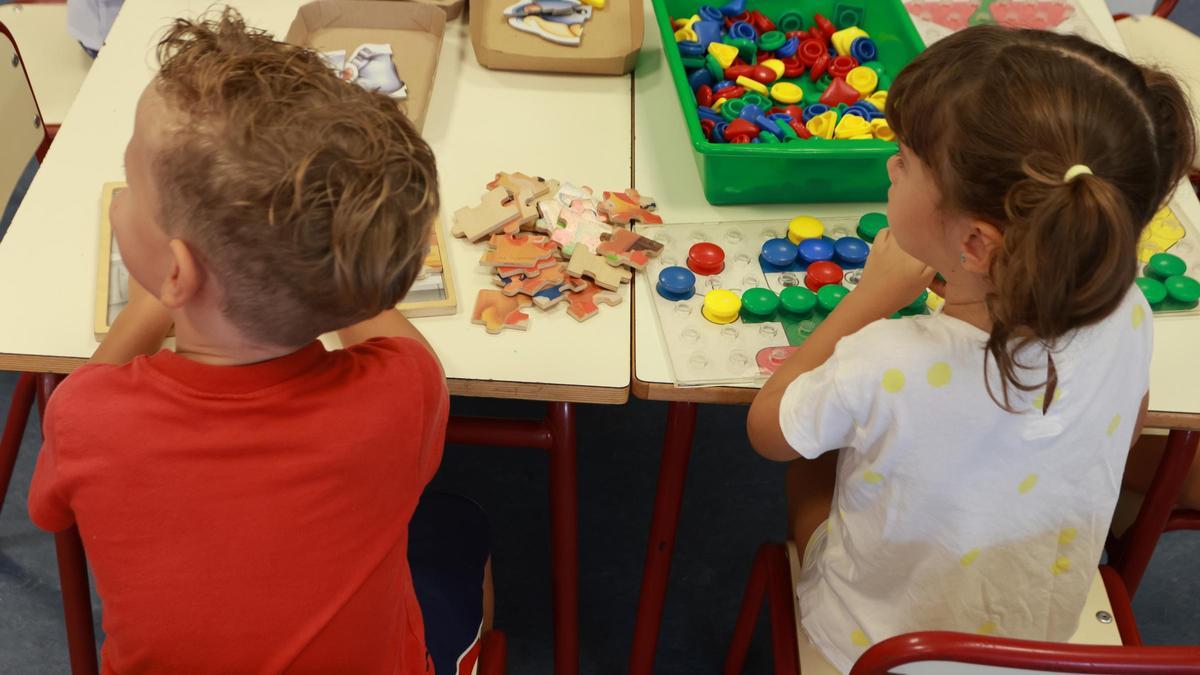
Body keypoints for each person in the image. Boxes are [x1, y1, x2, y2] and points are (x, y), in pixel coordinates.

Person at [28, 9, 483, 673]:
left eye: (130, 180)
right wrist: (315, 261)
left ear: (178, 272)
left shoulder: (85, 416)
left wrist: (155, 308)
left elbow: (48, 504)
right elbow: (376, 315)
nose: (120, 199)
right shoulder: (403, 389)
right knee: (460, 522)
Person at [747, 25, 1195, 673]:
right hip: (1039, 641)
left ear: (978, 246)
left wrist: (867, 298)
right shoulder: (1126, 305)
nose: (890, 167)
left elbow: (767, 428)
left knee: (810, 471)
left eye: (905, 158)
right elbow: (1124, 425)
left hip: (882, 651)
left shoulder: (887, 357)